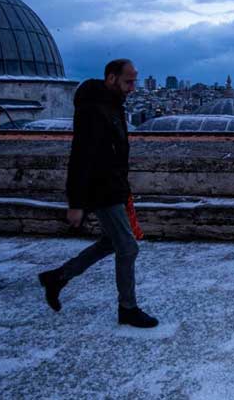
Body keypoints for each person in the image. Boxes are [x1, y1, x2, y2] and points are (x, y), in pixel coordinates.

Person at [38, 59, 158, 328]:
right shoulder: (93, 110)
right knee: (128, 247)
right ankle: (128, 308)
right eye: (128, 81)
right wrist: (76, 203)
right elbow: (81, 157)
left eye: (135, 81)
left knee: (110, 242)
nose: (132, 88)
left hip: (114, 187)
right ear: (111, 78)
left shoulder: (111, 105)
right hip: (102, 190)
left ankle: (58, 277)